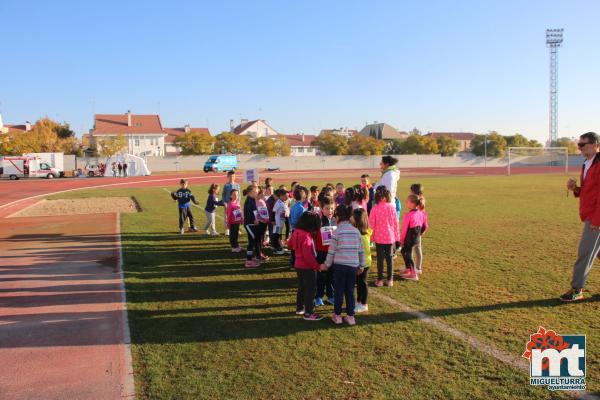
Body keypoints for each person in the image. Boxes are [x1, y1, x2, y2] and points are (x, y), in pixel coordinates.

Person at [563, 131, 600, 301]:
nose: (579, 148)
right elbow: (588, 191)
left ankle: (577, 289)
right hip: (590, 213)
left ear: (594, 145)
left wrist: (596, 220)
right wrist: (575, 189)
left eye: (582, 145)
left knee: (585, 253)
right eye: (579, 145)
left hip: (596, 217)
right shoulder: (587, 163)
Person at [323, 205, 366, 326]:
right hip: (353, 267)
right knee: (350, 291)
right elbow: (361, 251)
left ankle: (337, 316)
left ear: (338, 217)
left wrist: (327, 264)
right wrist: (361, 266)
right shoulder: (356, 231)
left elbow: (331, 251)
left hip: (340, 266)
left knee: (339, 291)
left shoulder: (337, 232)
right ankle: (350, 316)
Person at [288, 211, 323, 321]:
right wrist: (317, 266)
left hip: (298, 265)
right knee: (310, 289)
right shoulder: (306, 237)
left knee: (302, 287)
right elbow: (308, 256)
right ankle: (309, 313)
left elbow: (290, 244)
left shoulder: (296, 232)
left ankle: (299, 308)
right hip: (307, 267)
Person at [368, 187, 400, 287]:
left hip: (379, 238)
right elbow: (396, 224)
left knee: (380, 259)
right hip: (390, 238)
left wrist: (370, 238)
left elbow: (371, 224)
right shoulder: (392, 207)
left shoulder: (375, 208)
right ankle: (390, 280)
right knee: (390, 259)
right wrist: (397, 238)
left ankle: (380, 280)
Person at [398, 194, 427, 281]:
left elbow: (404, 230)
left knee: (408, 255)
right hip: (416, 239)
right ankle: (408, 268)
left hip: (409, 239)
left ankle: (413, 274)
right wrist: (420, 234)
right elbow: (425, 226)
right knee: (404, 251)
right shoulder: (421, 213)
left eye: (407, 201)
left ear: (412, 203)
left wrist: (401, 240)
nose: (406, 202)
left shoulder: (408, 215)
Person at [314, 195, 336, 306]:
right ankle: (318, 296)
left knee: (331, 276)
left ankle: (331, 295)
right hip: (321, 253)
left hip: (332, 253)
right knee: (321, 276)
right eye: (327, 208)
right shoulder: (318, 221)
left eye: (332, 208)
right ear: (322, 209)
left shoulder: (336, 221)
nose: (330, 211)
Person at [352, 208, 372, 313]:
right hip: (360, 263)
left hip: (363, 264)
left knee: (362, 283)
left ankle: (364, 303)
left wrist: (361, 266)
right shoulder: (361, 233)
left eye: (353, 217)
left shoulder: (362, 236)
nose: (351, 218)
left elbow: (363, 253)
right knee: (359, 283)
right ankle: (359, 301)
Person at [410, 184, 428, 274]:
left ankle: (417, 267)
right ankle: (415, 266)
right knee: (416, 247)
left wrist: (423, 229)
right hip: (418, 228)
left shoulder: (418, 202)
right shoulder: (421, 201)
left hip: (416, 229)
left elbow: (423, 217)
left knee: (415, 247)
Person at [243, 185, 260, 268]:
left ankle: (250, 258)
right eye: (255, 192)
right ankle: (248, 261)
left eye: (257, 192)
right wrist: (255, 219)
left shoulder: (252, 200)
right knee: (251, 242)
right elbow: (250, 213)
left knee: (252, 241)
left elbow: (254, 211)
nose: (257, 193)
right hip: (249, 224)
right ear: (250, 193)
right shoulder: (250, 201)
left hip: (252, 224)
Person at [222, 171, 240, 235]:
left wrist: (238, 203)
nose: (232, 177)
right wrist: (225, 202)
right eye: (230, 176)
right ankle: (227, 229)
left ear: (235, 177)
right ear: (228, 177)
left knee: (236, 216)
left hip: (236, 204)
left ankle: (237, 229)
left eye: (233, 176)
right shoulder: (226, 185)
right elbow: (223, 194)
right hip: (228, 204)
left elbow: (239, 195)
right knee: (227, 217)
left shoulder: (237, 185)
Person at [272, 189, 290, 254]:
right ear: (281, 196)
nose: (287, 197)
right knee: (276, 235)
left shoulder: (282, 202)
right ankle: (275, 248)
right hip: (277, 222)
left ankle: (278, 247)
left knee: (278, 234)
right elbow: (273, 211)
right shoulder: (278, 203)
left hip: (281, 222)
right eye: (286, 196)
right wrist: (273, 220)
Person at [255, 186, 270, 261]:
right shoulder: (258, 202)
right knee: (258, 239)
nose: (264, 194)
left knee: (260, 239)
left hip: (263, 222)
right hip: (261, 223)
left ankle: (259, 252)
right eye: (262, 193)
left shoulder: (261, 201)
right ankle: (258, 254)